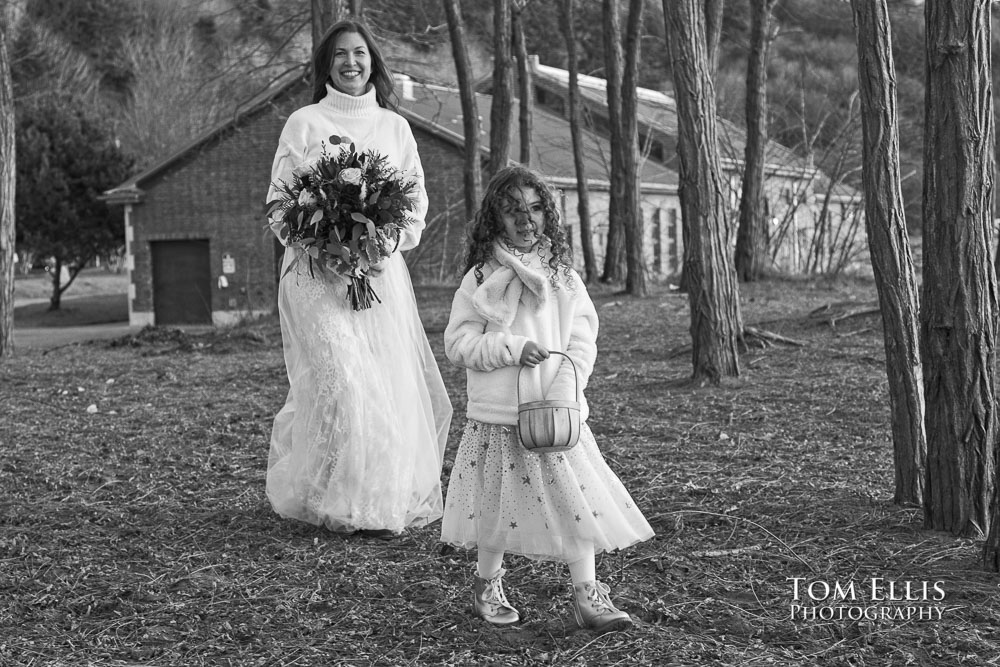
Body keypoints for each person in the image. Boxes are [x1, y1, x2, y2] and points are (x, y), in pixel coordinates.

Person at [440, 166, 654, 632]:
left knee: (574, 502)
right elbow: (458, 345)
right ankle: (487, 584)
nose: (526, 219)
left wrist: (566, 386)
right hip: (499, 417)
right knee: (497, 506)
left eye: (535, 208)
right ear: (494, 216)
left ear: (548, 214)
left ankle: (587, 595)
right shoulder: (481, 278)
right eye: (513, 209)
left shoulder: (562, 277)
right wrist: (511, 347)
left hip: (557, 416)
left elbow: (582, 339)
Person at [264, 20, 452, 538]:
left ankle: (369, 494)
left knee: (382, 383)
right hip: (313, 277)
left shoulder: (395, 128)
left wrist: (372, 250)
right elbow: (279, 206)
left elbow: (413, 210)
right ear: (327, 63)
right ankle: (341, 488)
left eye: (361, 54)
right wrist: (322, 251)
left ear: (373, 62)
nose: (352, 62)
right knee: (343, 380)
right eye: (341, 54)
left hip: (376, 276)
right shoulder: (304, 122)